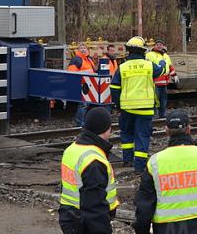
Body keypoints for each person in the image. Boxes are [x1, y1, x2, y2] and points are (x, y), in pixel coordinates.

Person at [59, 107, 119, 234]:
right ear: (106, 130)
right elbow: (94, 206)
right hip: (88, 227)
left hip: (71, 219)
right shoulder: (93, 160)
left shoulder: (73, 149)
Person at [109, 36, 165, 173]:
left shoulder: (122, 67)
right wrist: (162, 63)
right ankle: (139, 167)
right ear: (142, 51)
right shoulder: (148, 65)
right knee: (142, 136)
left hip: (127, 108)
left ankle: (127, 160)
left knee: (127, 134)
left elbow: (114, 88)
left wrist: (118, 105)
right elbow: (161, 71)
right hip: (145, 109)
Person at [146, 39, 177, 119]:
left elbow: (169, 67)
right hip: (154, 82)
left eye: (161, 44)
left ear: (163, 46)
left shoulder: (166, 56)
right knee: (154, 100)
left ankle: (162, 114)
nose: (159, 46)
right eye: (157, 44)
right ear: (155, 46)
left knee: (163, 100)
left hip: (164, 82)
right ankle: (153, 115)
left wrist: (174, 75)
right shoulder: (150, 55)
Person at [68, 43, 97, 127]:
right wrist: (85, 72)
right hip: (81, 84)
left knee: (87, 104)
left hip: (89, 84)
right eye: (81, 48)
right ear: (78, 50)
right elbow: (71, 73)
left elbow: (93, 70)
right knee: (83, 104)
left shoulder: (89, 59)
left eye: (85, 48)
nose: (83, 49)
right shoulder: (76, 60)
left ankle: (83, 122)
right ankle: (79, 123)